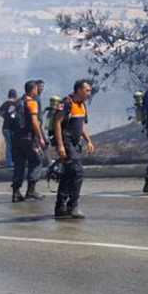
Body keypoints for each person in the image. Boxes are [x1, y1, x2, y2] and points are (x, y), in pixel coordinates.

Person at [53, 79, 95, 220]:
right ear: (78, 90)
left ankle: (60, 207)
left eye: (90, 90)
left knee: (68, 174)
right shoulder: (66, 103)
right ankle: (73, 206)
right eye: (87, 90)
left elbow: (81, 124)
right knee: (78, 172)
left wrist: (88, 140)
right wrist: (60, 145)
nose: (89, 93)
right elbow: (57, 122)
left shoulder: (82, 105)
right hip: (66, 142)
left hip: (74, 144)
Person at [10, 81, 46, 202]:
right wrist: (40, 137)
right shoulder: (31, 102)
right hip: (28, 138)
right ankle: (31, 191)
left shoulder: (18, 102)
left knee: (19, 164)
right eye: (37, 89)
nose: (38, 91)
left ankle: (16, 193)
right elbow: (35, 121)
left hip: (16, 138)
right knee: (37, 160)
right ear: (33, 89)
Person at [0, 88, 18, 168]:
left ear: (8, 95)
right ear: (15, 96)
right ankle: (13, 162)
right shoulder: (17, 104)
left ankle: (8, 162)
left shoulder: (6, 103)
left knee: (8, 145)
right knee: (14, 145)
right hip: (14, 128)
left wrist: (5, 116)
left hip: (5, 127)